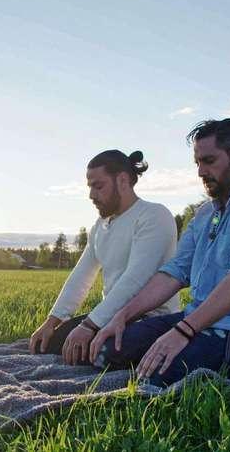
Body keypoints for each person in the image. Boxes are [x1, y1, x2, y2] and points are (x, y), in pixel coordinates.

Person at [88, 118, 230, 386]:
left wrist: (183, 331)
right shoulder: (205, 213)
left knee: (160, 374)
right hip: (196, 319)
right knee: (106, 349)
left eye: (209, 161)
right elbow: (174, 273)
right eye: (197, 163)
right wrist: (122, 316)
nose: (201, 171)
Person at [29, 149, 180, 365]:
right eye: (90, 187)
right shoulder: (99, 227)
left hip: (151, 318)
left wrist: (89, 325)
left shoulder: (154, 216)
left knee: (102, 354)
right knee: (47, 345)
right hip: (109, 318)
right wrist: (51, 322)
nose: (91, 195)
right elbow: (80, 277)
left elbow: (135, 280)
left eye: (98, 186)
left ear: (122, 180)